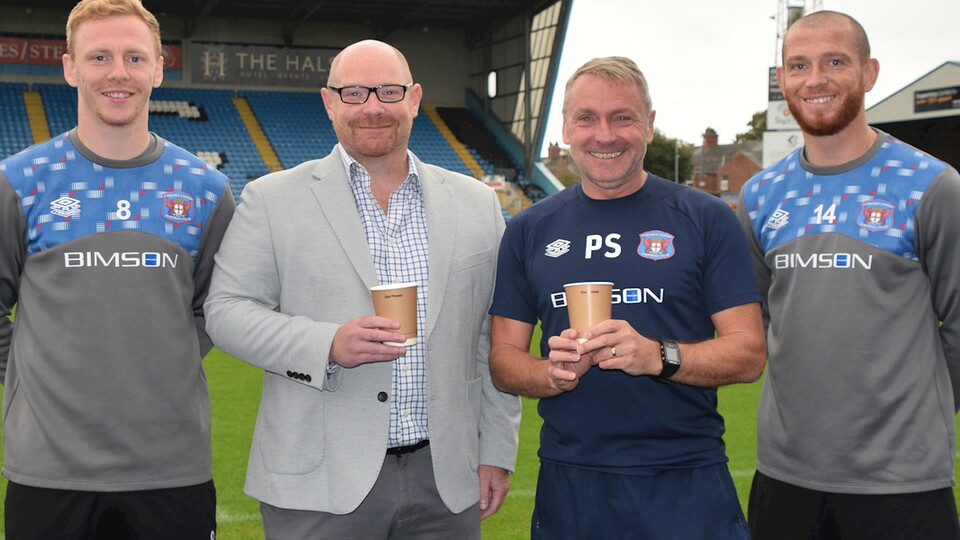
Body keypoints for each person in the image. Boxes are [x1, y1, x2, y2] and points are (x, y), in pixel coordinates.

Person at [203, 39, 521, 539]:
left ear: (414, 99)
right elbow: (225, 311)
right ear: (329, 102)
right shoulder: (271, 199)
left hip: (446, 480)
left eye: (388, 91)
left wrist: (497, 450)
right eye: (354, 93)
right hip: (317, 482)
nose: (372, 107)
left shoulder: (476, 204)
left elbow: (494, 336)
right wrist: (326, 343)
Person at [488, 56, 766, 539]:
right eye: (586, 118)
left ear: (649, 125)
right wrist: (551, 373)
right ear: (566, 128)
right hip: (571, 485)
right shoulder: (529, 229)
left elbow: (749, 354)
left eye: (622, 117)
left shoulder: (706, 218)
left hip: (685, 479)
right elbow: (502, 360)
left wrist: (658, 355)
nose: (605, 135)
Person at [0, 0, 234, 537]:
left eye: (134, 57)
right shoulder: (21, 181)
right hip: (49, 470)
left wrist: (153, 366)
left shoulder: (204, 190)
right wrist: (39, 374)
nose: (118, 73)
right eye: (99, 56)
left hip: (170, 468)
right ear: (70, 68)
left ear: (158, 68)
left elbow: (216, 310)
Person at [737, 10, 960, 539]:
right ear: (783, 80)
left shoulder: (931, 185)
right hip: (784, 478)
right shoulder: (760, 195)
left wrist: (916, 419)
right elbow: (755, 320)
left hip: (902, 485)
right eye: (799, 66)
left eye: (834, 62)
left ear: (869, 72)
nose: (815, 79)